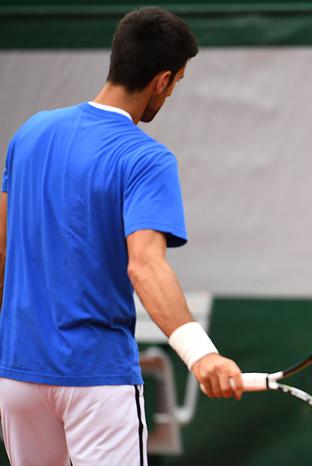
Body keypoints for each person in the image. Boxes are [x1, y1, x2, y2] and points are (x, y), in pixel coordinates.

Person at [0, 7, 243, 465]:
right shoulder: (146, 158)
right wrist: (201, 355)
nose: (170, 93)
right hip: (96, 380)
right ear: (162, 80)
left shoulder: (29, 134)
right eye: (177, 83)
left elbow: (2, 251)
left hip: (18, 379)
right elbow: (145, 264)